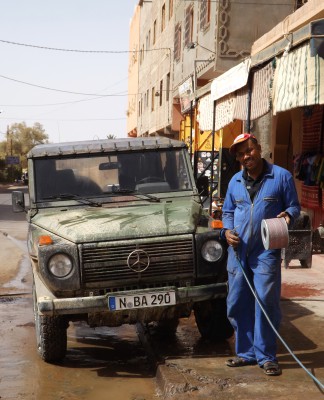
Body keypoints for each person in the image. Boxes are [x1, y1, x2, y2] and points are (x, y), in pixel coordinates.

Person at [221, 133, 300, 376]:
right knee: (236, 302)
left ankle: (266, 356)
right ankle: (246, 353)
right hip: (238, 250)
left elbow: (294, 207)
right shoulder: (234, 181)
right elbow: (227, 211)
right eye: (241, 153)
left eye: (249, 150)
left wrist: (288, 216)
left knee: (265, 300)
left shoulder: (281, 176)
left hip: (266, 250)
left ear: (259, 148)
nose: (246, 156)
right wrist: (225, 231)